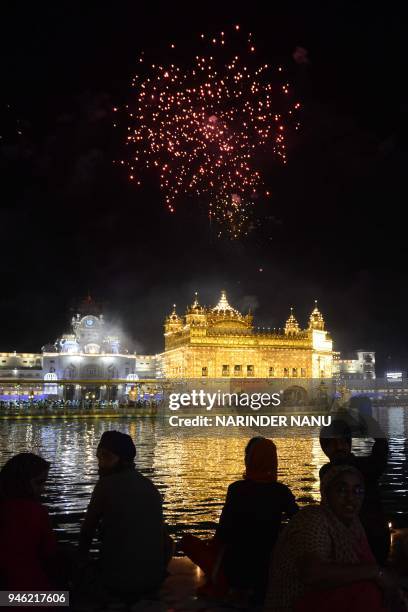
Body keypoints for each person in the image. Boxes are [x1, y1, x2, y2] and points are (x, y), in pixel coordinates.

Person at [264, 465, 399, 612]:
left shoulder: (352, 524)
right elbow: (312, 574)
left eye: (357, 491)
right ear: (327, 492)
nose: (350, 498)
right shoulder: (313, 519)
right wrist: (374, 572)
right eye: (342, 490)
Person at [181, 437, 298, 603]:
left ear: (249, 459)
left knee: (187, 541)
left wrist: (212, 548)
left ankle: (222, 584)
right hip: (267, 570)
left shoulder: (236, 489)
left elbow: (223, 532)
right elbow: (300, 522)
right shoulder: (282, 492)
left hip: (235, 572)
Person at [78, 430, 171, 599]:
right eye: (99, 457)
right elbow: (164, 538)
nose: (100, 463)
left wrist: (79, 566)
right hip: (154, 578)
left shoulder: (105, 486)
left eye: (106, 457)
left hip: (118, 582)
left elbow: (87, 533)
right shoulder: (149, 485)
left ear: (122, 459)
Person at [319, 412, 390, 564]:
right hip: (368, 539)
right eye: (333, 443)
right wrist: (367, 420)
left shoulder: (327, 472)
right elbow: (381, 446)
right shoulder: (366, 468)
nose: (339, 447)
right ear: (325, 448)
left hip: (369, 540)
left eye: (343, 442)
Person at [0, 453, 57, 590]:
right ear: (23, 482)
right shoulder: (37, 512)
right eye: (39, 483)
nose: (43, 490)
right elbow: (50, 554)